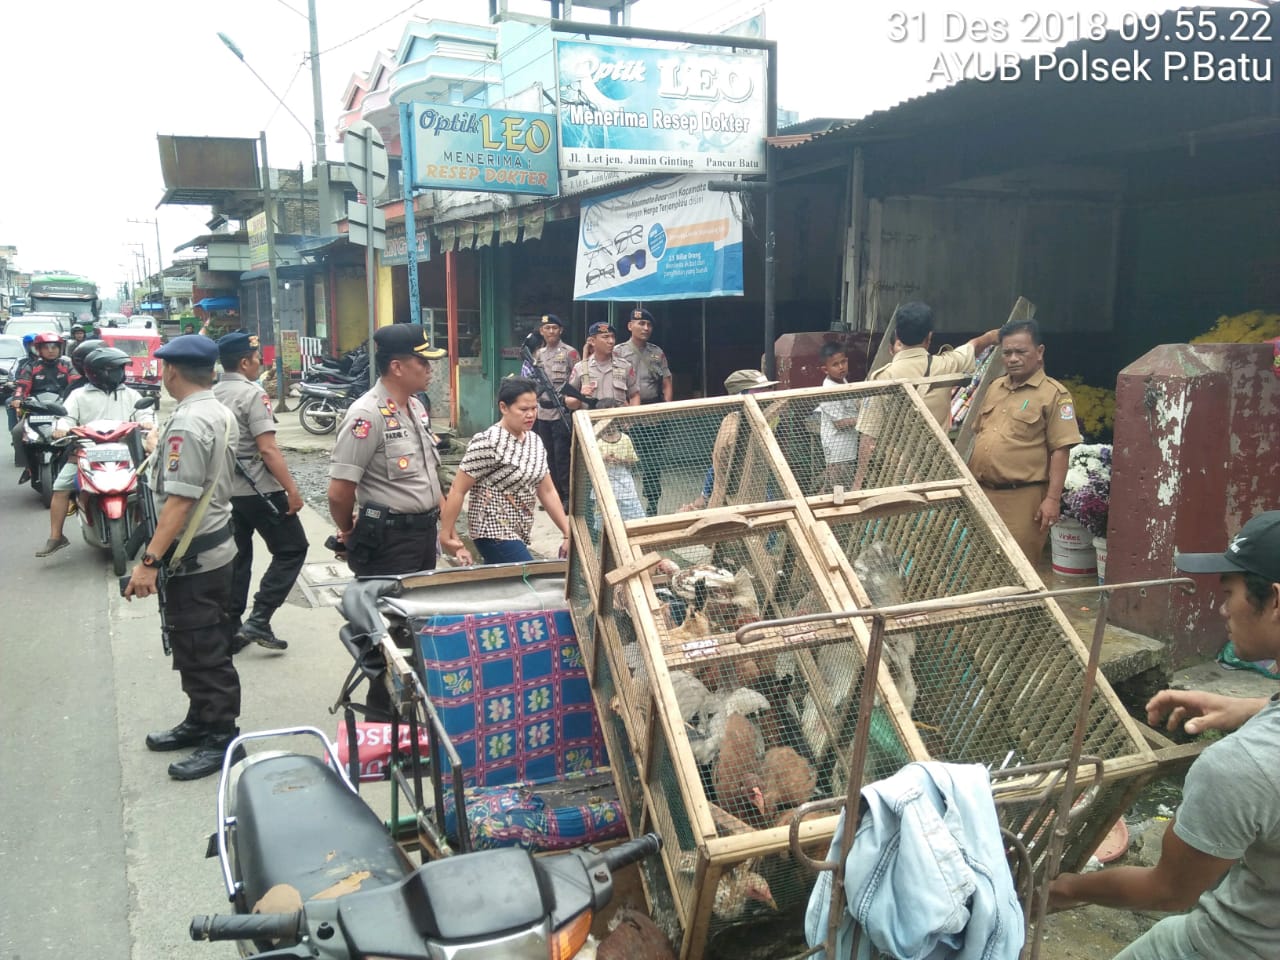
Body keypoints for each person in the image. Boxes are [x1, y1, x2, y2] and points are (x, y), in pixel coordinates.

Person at [1049, 510, 1280, 960]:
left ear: (1274, 601)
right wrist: (1249, 709)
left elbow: (1168, 890)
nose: (1221, 608)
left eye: (1228, 592)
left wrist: (1062, 889)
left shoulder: (1240, 767)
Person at [123, 334, 242, 781]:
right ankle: (200, 718)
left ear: (171, 371)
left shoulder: (190, 422)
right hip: (212, 546)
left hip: (195, 556)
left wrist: (148, 563)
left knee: (203, 647)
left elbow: (178, 503)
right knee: (195, 643)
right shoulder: (215, 410)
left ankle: (221, 736)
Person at [213, 331, 308, 654]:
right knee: (293, 548)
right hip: (259, 489)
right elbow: (268, 449)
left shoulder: (212, 393)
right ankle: (260, 617)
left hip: (225, 491)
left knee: (238, 558)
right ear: (244, 362)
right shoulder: (252, 395)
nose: (260, 365)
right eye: (257, 360)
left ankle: (231, 629)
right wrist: (292, 490)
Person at [327, 323, 446, 577]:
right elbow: (339, 493)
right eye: (422, 362)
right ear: (397, 367)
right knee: (386, 612)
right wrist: (348, 532)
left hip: (424, 535)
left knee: (419, 612)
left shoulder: (415, 407)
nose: (429, 369)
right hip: (390, 539)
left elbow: (429, 475)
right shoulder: (367, 415)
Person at [966, 318, 1079, 566]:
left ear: (1039, 352)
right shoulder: (995, 387)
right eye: (1007, 353)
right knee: (978, 567)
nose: (1013, 358)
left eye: (1020, 352)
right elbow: (979, 434)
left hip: (1023, 500)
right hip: (983, 493)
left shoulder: (1053, 395)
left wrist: (1052, 500)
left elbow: (1061, 450)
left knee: (1017, 568)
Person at [36, 347, 155, 557]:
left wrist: (147, 423)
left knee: (154, 485)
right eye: (114, 368)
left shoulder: (130, 394)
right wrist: (61, 428)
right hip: (87, 451)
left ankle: (159, 532)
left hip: (127, 452)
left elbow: (145, 414)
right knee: (61, 487)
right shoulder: (78, 395)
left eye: (121, 368)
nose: (120, 372)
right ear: (96, 371)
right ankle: (56, 536)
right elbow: (66, 418)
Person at [439, 377, 571, 566]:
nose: (531, 414)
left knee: (506, 586)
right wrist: (446, 534)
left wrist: (567, 532)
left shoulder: (535, 441)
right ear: (504, 407)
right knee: (527, 579)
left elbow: (547, 490)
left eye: (534, 408)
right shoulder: (487, 442)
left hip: (519, 529)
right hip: (491, 530)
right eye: (523, 409)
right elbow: (458, 489)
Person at [681, 369, 780, 512]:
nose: (766, 393)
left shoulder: (766, 415)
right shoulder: (734, 426)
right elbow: (719, 466)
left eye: (767, 388)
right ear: (741, 395)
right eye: (760, 389)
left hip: (759, 477)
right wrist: (707, 494)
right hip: (739, 489)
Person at [614, 307, 673, 514]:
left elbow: (666, 382)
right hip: (627, 416)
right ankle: (625, 505)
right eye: (641, 324)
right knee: (623, 461)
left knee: (652, 463)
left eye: (649, 325)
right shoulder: (618, 352)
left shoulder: (657, 353)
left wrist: (664, 407)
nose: (645, 328)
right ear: (630, 326)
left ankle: (652, 504)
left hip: (652, 416)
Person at [11, 332, 78, 482]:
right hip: (36, 407)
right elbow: (22, 385)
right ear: (39, 349)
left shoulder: (67, 365)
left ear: (60, 348)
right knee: (17, 432)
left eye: (54, 347)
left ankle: (77, 465)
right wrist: (17, 398)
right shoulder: (31, 366)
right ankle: (28, 467)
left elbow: (75, 384)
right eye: (46, 347)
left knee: (78, 434)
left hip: (62, 407)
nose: (51, 350)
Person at [529, 314, 578, 509]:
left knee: (562, 456)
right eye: (547, 328)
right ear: (542, 331)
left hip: (562, 412)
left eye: (554, 328)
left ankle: (567, 497)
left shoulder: (570, 353)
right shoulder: (538, 354)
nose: (551, 331)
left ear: (561, 330)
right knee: (547, 456)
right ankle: (554, 496)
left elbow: (578, 379)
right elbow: (535, 380)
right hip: (543, 412)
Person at [815, 341, 860, 492]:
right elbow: (839, 423)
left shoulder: (842, 381)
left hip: (847, 446)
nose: (841, 367)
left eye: (843, 362)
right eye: (835, 364)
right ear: (825, 369)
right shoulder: (829, 389)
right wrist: (864, 418)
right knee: (838, 488)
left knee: (834, 484)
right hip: (838, 448)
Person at [566, 322, 640, 410]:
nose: (611, 341)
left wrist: (632, 417)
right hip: (591, 421)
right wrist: (580, 396)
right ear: (593, 341)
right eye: (605, 337)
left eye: (613, 337)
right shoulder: (580, 368)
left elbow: (634, 395)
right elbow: (570, 404)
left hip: (618, 421)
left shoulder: (625, 366)